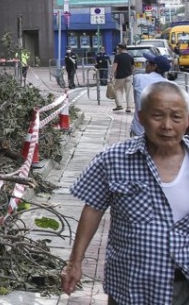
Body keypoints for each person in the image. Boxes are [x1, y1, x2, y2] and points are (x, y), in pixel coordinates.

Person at [61, 81, 189, 304]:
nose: (167, 125)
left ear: (187, 120)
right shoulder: (114, 159)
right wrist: (75, 261)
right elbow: (93, 208)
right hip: (131, 285)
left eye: (176, 117)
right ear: (140, 117)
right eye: (157, 116)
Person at [132, 53, 172, 137]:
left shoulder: (138, 78)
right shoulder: (172, 86)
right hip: (161, 134)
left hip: (139, 132)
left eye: (148, 63)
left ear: (154, 66)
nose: (146, 65)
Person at [111, 44, 135, 113]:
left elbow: (115, 65)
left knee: (118, 90)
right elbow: (133, 67)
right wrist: (131, 73)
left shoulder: (118, 56)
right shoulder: (130, 56)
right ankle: (128, 108)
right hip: (129, 76)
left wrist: (112, 74)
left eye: (118, 48)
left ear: (121, 48)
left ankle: (119, 105)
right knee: (129, 91)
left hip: (120, 76)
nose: (118, 50)